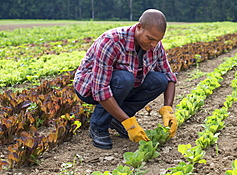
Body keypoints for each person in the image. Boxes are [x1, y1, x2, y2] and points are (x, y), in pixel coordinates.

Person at [73, 9, 178, 149]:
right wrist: (129, 123)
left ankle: (117, 119)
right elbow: (100, 89)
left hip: (122, 85)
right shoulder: (112, 41)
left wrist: (168, 110)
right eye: (150, 39)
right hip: (90, 87)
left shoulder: (155, 46)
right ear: (139, 27)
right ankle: (98, 125)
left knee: (159, 81)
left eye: (158, 40)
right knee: (124, 79)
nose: (154, 44)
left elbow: (169, 77)